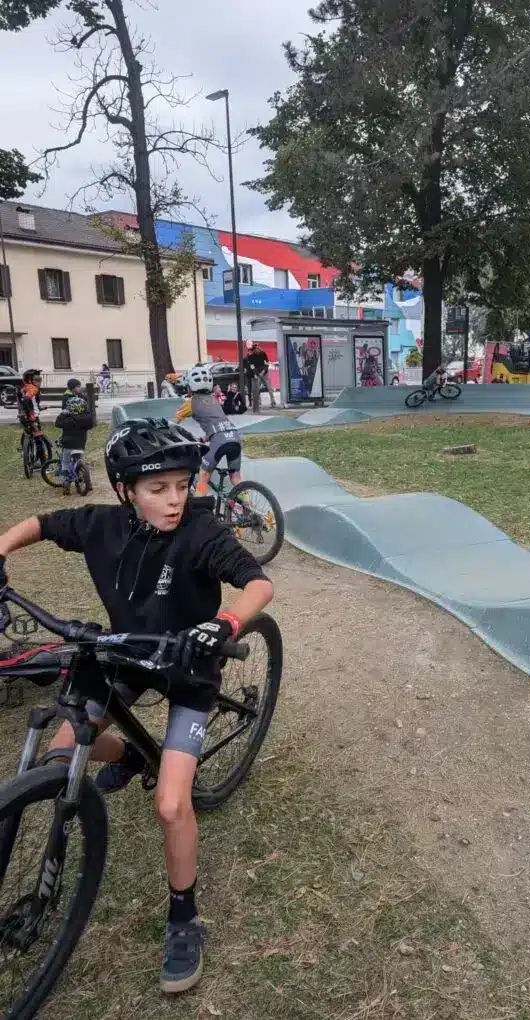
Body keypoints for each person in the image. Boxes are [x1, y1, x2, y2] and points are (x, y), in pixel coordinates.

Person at [0, 418, 273, 994]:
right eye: (157, 489)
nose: (174, 500)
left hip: (189, 665)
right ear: (125, 490)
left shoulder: (201, 533)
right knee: (61, 749)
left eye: (182, 485)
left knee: (173, 805)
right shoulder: (100, 524)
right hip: (125, 656)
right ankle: (135, 753)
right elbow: (43, 524)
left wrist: (223, 622)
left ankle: (184, 919)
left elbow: (258, 585)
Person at [175, 363, 242, 496]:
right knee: (236, 478)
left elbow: (173, 424)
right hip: (234, 436)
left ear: (190, 387)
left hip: (219, 441)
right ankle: (249, 510)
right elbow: (216, 423)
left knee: (204, 475)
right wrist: (204, 438)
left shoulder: (191, 402)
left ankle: (201, 508)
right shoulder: (213, 399)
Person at [54, 379, 95, 494]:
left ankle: (66, 482)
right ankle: (89, 482)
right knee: (81, 460)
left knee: (65, 463)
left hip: (67, 444)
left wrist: (63, 414)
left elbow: (57, 423)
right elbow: (90, 424)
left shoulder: (66, 418)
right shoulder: (86, 418)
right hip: (80, 444)